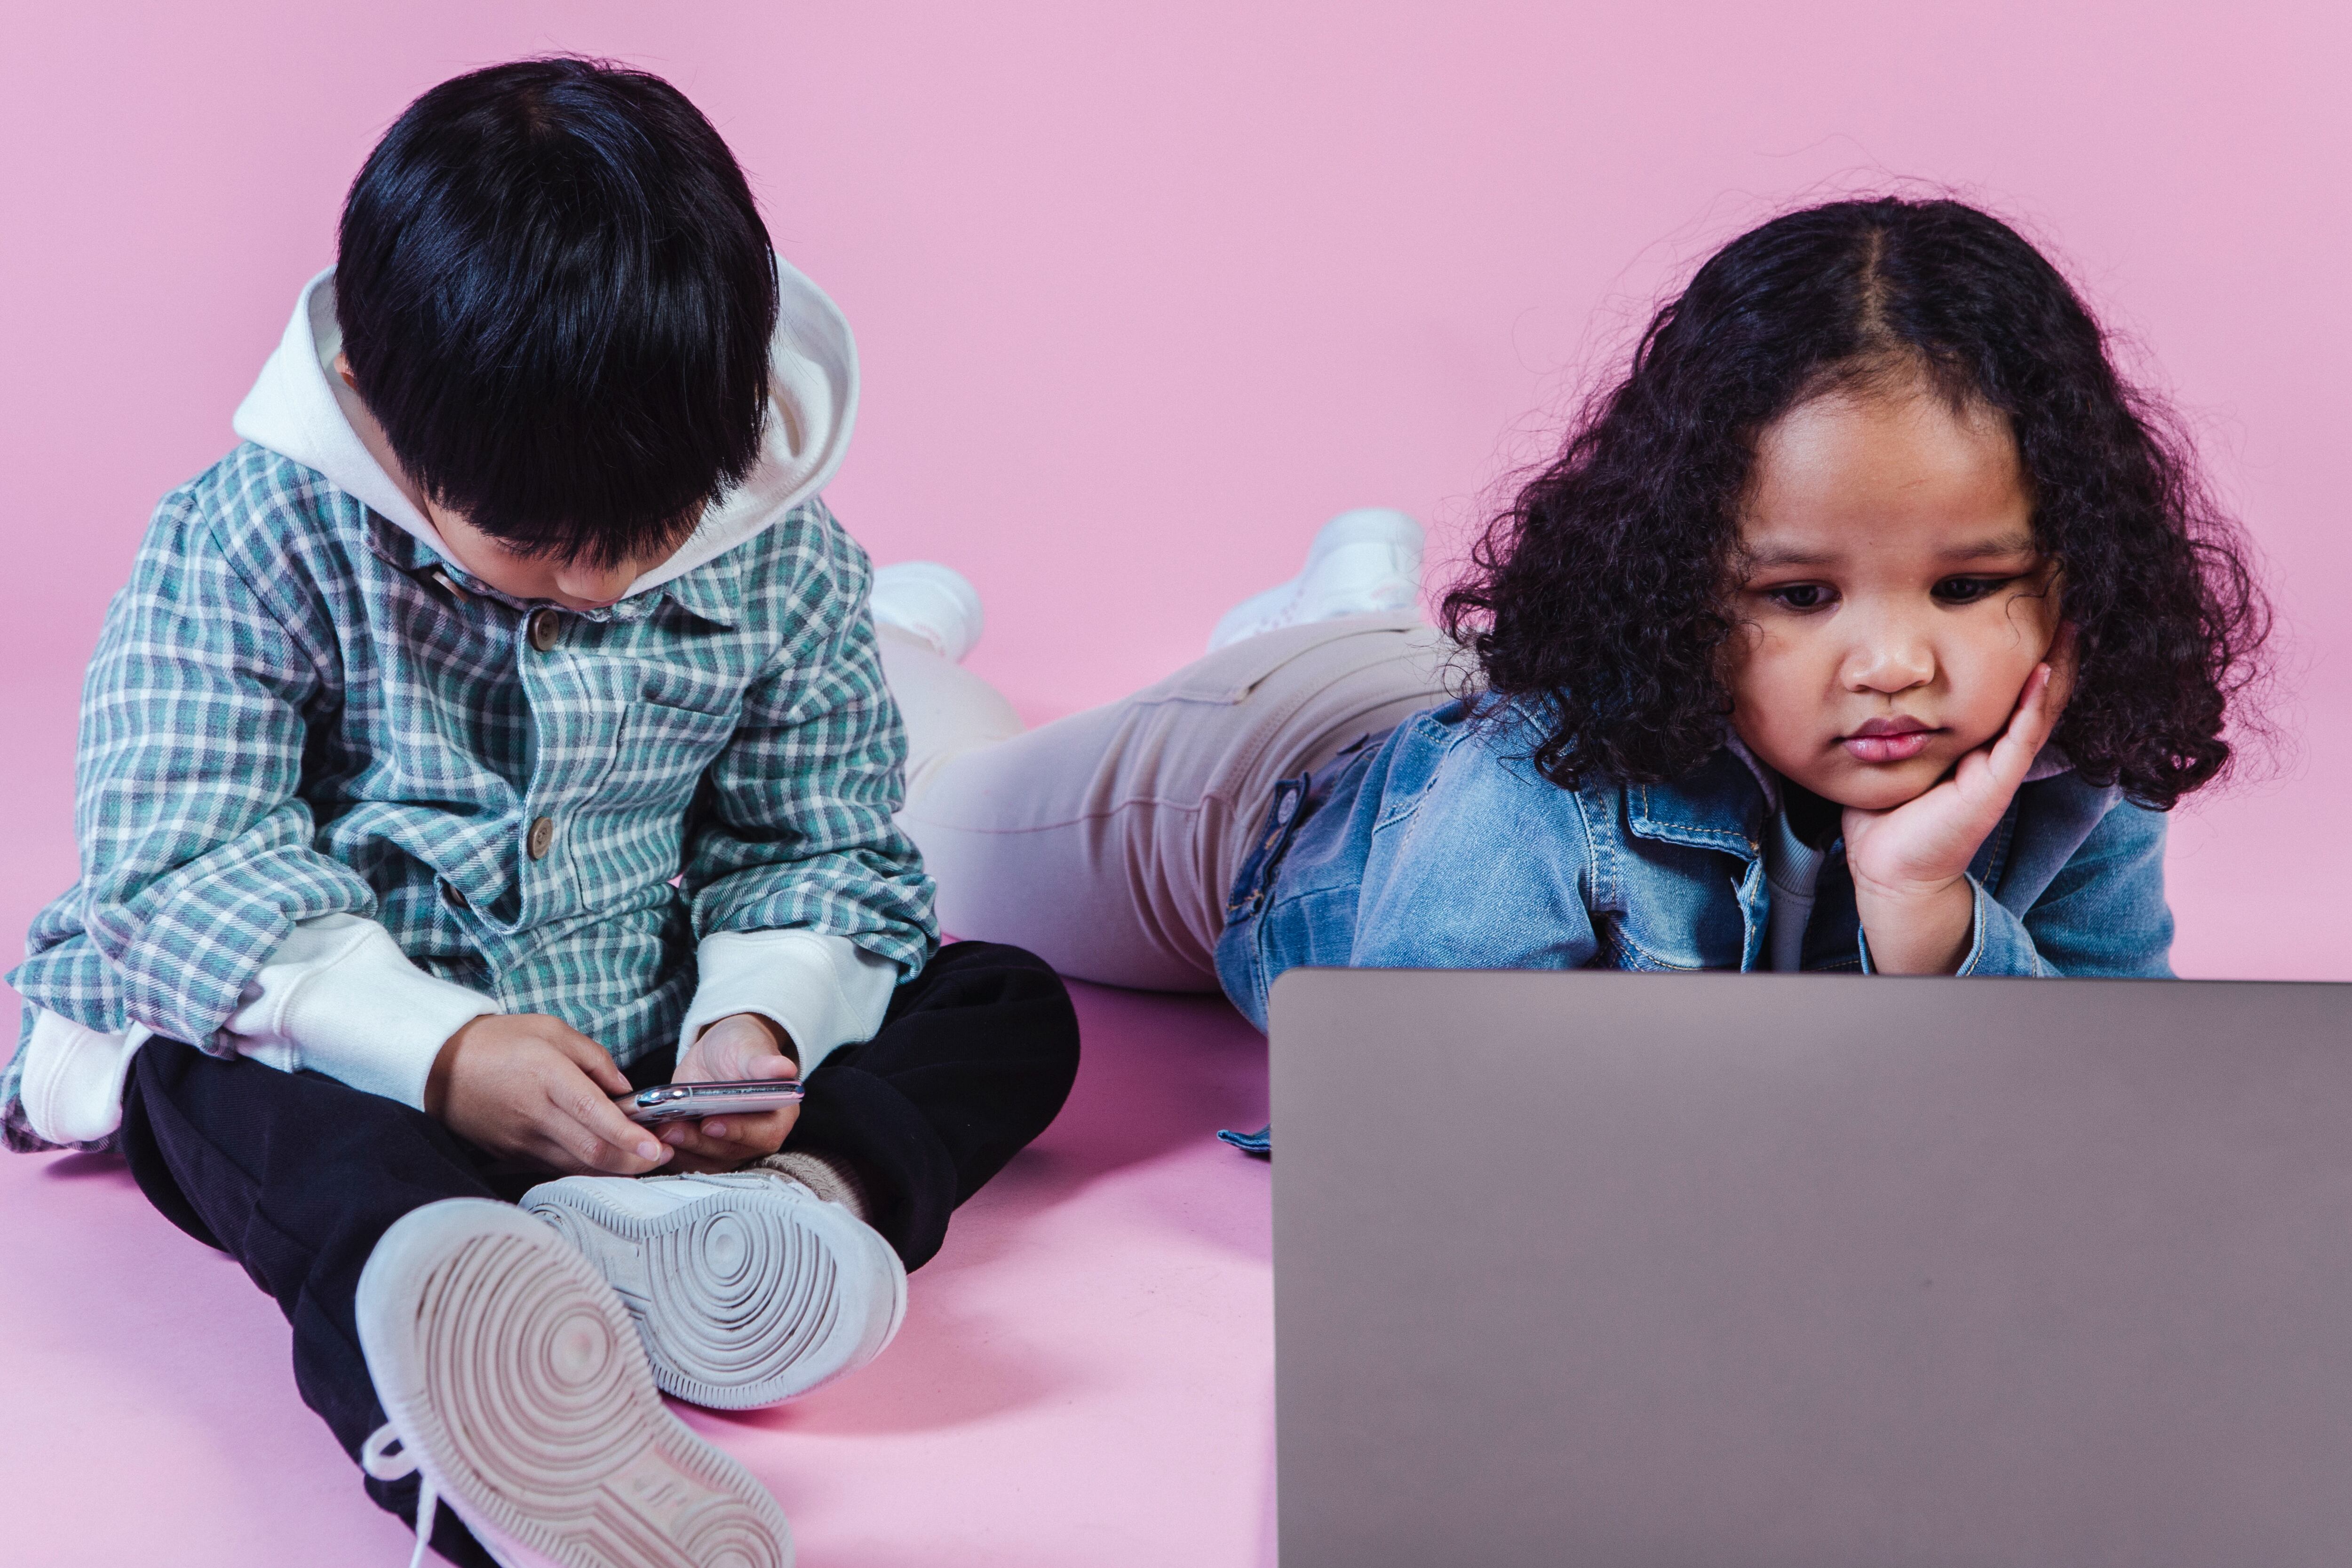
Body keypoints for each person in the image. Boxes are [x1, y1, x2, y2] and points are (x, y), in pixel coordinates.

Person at [0, 59, 1078, 1568]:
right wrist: (438, 1051)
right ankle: (459, 1357)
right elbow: (182, 867)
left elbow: (818, 841)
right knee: (226, 1095)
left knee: (1011, 1003)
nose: (600, 584)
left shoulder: (786, 553)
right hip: (347, 1053)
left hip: (644, 1079)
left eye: (644, 539)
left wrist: (758, 1027)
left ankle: (772, 1212)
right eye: (536, 547)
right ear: (377, 413)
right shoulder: (249, 538)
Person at [866, 198, 2269, 1152]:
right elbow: (1416, 1137)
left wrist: (1930, 915)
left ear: (2073, 566)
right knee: (922, 813)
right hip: (1259, 794)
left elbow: (2107, 1123)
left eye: (1967, 587)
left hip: (1446, 694)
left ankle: (1338, 593)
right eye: (1797, 596)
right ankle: (892, 628)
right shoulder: (1520, 798)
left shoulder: (2079, 771)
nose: (1895, 665)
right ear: (1680, 586)